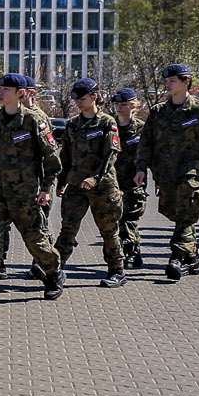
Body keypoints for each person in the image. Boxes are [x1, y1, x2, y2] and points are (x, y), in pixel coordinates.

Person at [0, 73, 64, 308]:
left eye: (6, 89)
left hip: (24, 192)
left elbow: (51, 158)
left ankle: (53, 273)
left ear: (20, 94)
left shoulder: (32, 121)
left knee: (35, 238)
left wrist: (46, 188)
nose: (0, 92)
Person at [132, 63, 199, 281]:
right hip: (165, 175)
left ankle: (176, 258)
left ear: (186, 82)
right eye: (166, 81)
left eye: (173, 80)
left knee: (186, 216)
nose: (168, 84)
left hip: (190, 173)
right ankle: (192, 259)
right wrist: (141, 169)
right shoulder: (158, 112)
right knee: (174, 214)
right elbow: (146, 144)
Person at [52, 78, 125, 287]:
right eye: (75, 99)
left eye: (82, 98)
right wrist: (61, 180)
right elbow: (65, 155)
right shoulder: (72, 124)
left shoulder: (106, 123)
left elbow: (110, 154)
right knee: (68, 228)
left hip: (102, 186)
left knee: (108, 229)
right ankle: (55, 269)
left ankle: (116, 270)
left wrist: (95, 178)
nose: (78, 103)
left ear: (94, 97)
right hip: (76, 185)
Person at [109, 89, 148, 267]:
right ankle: (134, 252)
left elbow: (149, 155)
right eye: (116, 104)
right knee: (116, 220)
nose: (119, 107)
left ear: (134, 105)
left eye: (123, 104)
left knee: (128, 219)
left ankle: (130, 252)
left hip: (134, 182)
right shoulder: (110, 127)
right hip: (112, 183)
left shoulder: (141, 129)